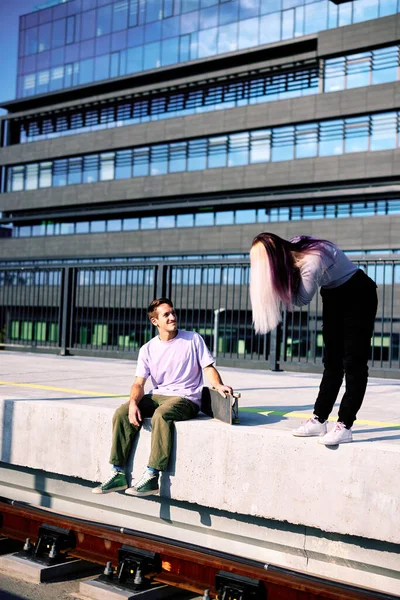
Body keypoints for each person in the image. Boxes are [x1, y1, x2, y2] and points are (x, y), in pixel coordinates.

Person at [93, 297, 232, 496]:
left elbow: (208, 367)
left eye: (173, 312)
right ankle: (118, 473)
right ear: (155, 321)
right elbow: (139, 383)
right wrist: (133, 402)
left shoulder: (193, 339)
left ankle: (152, 475)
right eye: (166, 314)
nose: (172, 317)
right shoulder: (147, 349)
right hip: (158, 394)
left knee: (162, 415)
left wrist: (217, 385)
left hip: (186, 398)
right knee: (122, 412)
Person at [250, 233, 377, 445]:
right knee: (332, 363)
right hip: (333, 294)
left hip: (358, 293)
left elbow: (302, 300)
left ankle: (345, 425)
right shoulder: (294, 249)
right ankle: (319, 419)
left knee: (354, 363)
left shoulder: (310, 260)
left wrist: (282, 280)